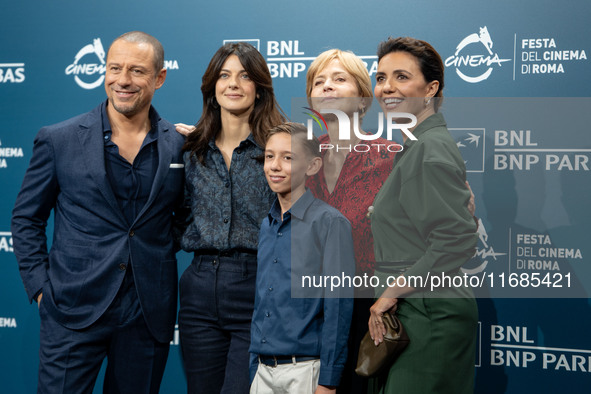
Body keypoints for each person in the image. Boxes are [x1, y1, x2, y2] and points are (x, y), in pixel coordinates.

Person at [11, 31, 186, 393]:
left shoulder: (180, 145)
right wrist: (42, 289)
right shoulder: (58, 139)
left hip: (147, 313)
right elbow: (27, 218)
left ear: (160, 77)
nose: (123, 80)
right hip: (72, 309)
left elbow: (186, 217)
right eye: (114, 68)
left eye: (137, 71)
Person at [368, 37, 479, 394]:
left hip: (428, 312)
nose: (387, 88)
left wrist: (391, 292)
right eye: (382, 77)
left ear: (431, 88)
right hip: (412, 309)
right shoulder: (416, 146)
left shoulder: (429, 148)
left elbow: (457, 239)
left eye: (401, 77)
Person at [179, 42, 286, 394]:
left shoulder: (279, 148)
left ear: (259, 89)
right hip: (198, 289)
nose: (233, 84)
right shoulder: (191, 150)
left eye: (244, 76)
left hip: (258, 285)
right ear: (212, 88)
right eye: (224, 75)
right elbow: (177, 214)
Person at [304, 49, 395, 394]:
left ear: (362, 98)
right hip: (310, 312)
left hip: (366, 313)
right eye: (318, 81)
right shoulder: (302, 157)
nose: (326, 87)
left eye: (339, 79)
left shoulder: (390, 157)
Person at [249, 122, 355, 394]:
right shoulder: (266, 225)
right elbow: (262, 300)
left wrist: (328, 380)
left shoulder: (330, 223)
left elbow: (338, 305)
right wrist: (254, 366)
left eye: (288, 158)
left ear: (313, 166)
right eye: (270, 156)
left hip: (306, 370)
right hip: (262, 369)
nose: (274, 166)